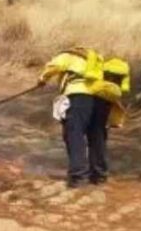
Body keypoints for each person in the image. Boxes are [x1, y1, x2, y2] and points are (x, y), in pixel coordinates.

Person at [38, 48, 128, 187]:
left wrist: (42, 79)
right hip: (101, 99)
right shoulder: (97, 59)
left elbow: (53, 67)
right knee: (97, 136)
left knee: (74, 134)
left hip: (79, 96)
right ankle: (99, 176)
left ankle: (78, 177)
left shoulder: (68, 55)